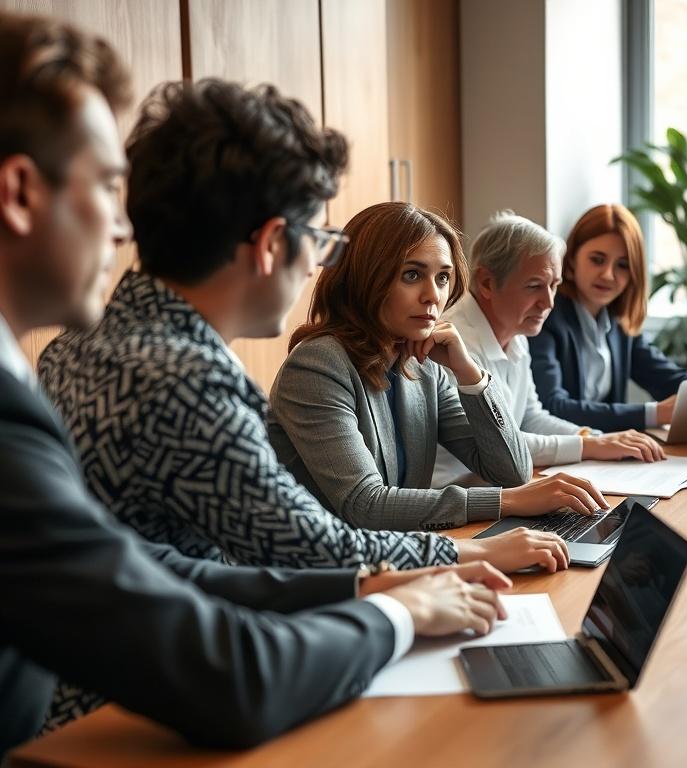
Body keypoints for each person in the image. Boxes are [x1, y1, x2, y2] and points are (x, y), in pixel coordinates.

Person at [0, 11, 510, 756]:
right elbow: (298, 562)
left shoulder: (78, 347)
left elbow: (138, 559)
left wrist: (368, 588)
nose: (119, 228)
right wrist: (414, 596)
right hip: (104, 709)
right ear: (275, 243)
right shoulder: (177, 373)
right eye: (109, 188)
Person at [38, 79, 566, 576]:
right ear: (271, 244)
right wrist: (463, 557)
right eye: (317, 237)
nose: (318, 262)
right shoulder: (188, 379)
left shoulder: (73, 347)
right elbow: (310, 541)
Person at [268, 201, 611, 532]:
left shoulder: (425, 367)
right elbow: (364, 505)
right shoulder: (317, 365)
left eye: (443, 278)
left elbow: (513, 471)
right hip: (324, 578)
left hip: (401, 558)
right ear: (366, 278)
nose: (433, 295)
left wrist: (470, 375)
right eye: (412, 274)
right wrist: (507, 502)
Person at [433, 210, 665, 487]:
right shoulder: (452, 344)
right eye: (534, 286)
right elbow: (500, 444)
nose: (548, 302)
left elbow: (532, 417)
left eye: (553, 286)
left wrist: (592, 437)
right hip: (455, 498)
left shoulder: (517, 333)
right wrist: (589, 446)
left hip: (499, 486)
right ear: (486, 283)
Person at [529, 203, 687, 432]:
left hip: (606, 456)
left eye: (622, 265)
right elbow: (553, 407)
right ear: (570, 260)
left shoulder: (619, 324)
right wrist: (654, 413)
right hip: (565, 454)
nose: (608, 275)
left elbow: (668, 378)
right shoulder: (545, 317)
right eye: (597, 260)